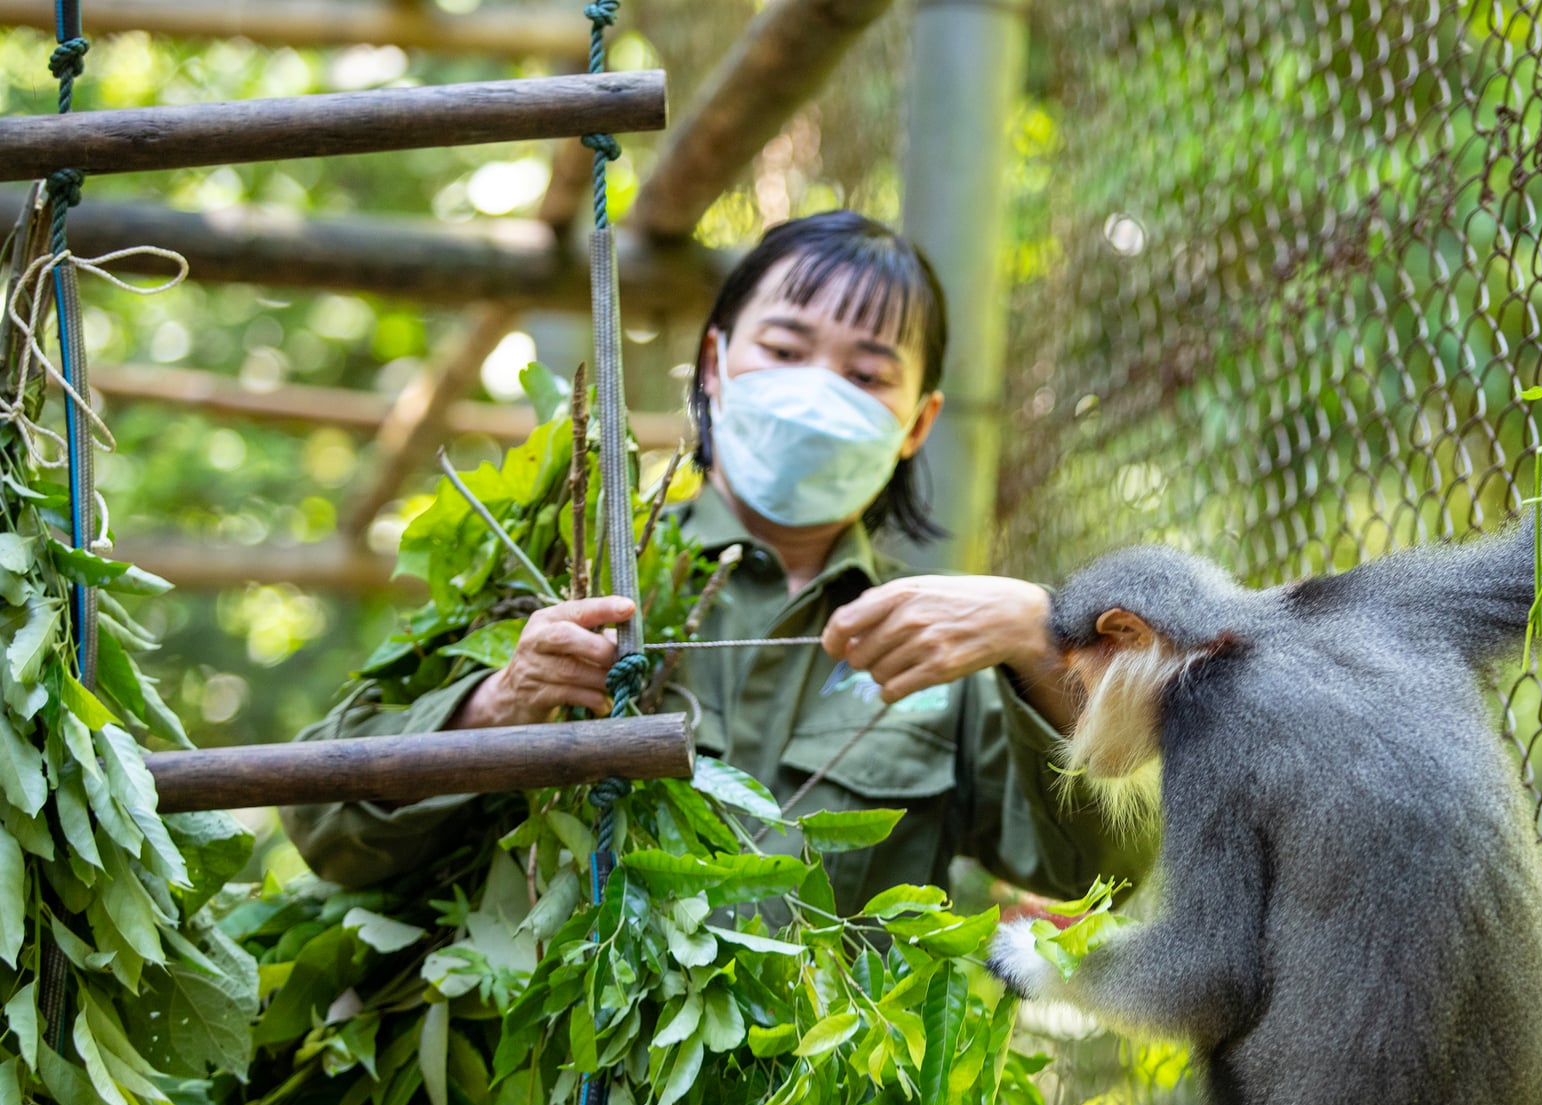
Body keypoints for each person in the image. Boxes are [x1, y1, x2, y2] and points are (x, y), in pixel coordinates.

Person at [283, 211, 1151, 913]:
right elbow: (323, 823)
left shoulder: (948, 650)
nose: (817, 391)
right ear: (716, 361)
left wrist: (1040, 640)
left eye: (867, 374)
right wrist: (501, 702)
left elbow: (1107, 870)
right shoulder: (557, 573)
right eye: (782, 349)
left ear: (918, 423)